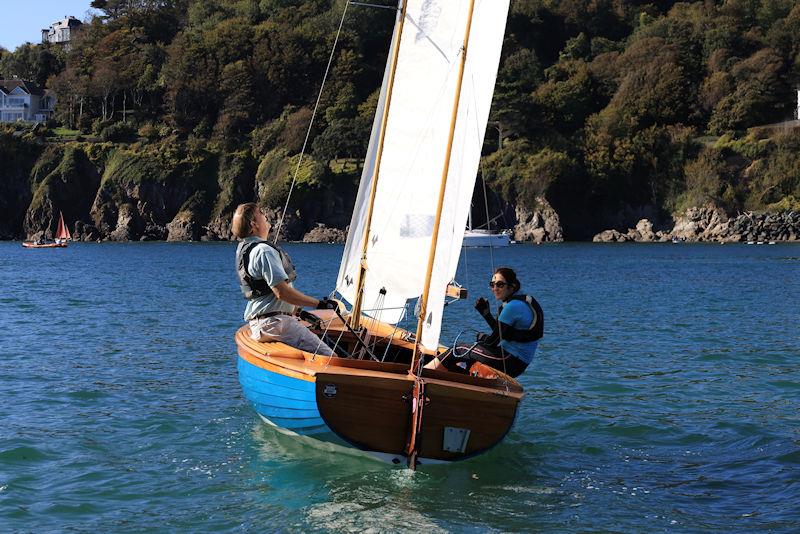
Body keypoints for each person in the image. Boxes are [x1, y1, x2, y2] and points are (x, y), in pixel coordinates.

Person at [232, 202, 337, 356]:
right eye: (261, 213)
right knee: (330, 359)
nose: (266, 216)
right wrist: (320, 304)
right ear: (254, 224)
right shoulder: (264, 251)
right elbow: (281, 292)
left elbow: (268, 295)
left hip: (261, 324)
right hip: (275, 324)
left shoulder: (245, 249)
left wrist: (299, 312)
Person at [426, 267, 543, 378]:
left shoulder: (512, 307)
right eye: (492, 284)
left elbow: (494, 341)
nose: (495, 288)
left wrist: (483, 341)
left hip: (509, 360)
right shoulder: (519, 302)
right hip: (516, 363)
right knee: (475, 345)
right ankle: (457, 379)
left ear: (512, 287)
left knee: (458, 349)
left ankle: (424, 373)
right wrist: (486, 315)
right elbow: (503, 333)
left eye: (500, 284)